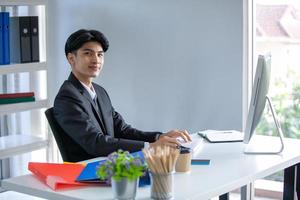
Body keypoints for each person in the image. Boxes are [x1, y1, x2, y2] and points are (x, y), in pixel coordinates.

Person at [53, 29, 191, 161]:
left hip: (114, 164)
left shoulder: (99, 91)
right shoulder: (67, 97)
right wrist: (150, 147)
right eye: (88, 53)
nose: (96, 60)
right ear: (71, 58)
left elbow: (123, 130)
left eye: (100, 54)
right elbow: (95, 142)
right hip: (88, 172)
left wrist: (159, 137)